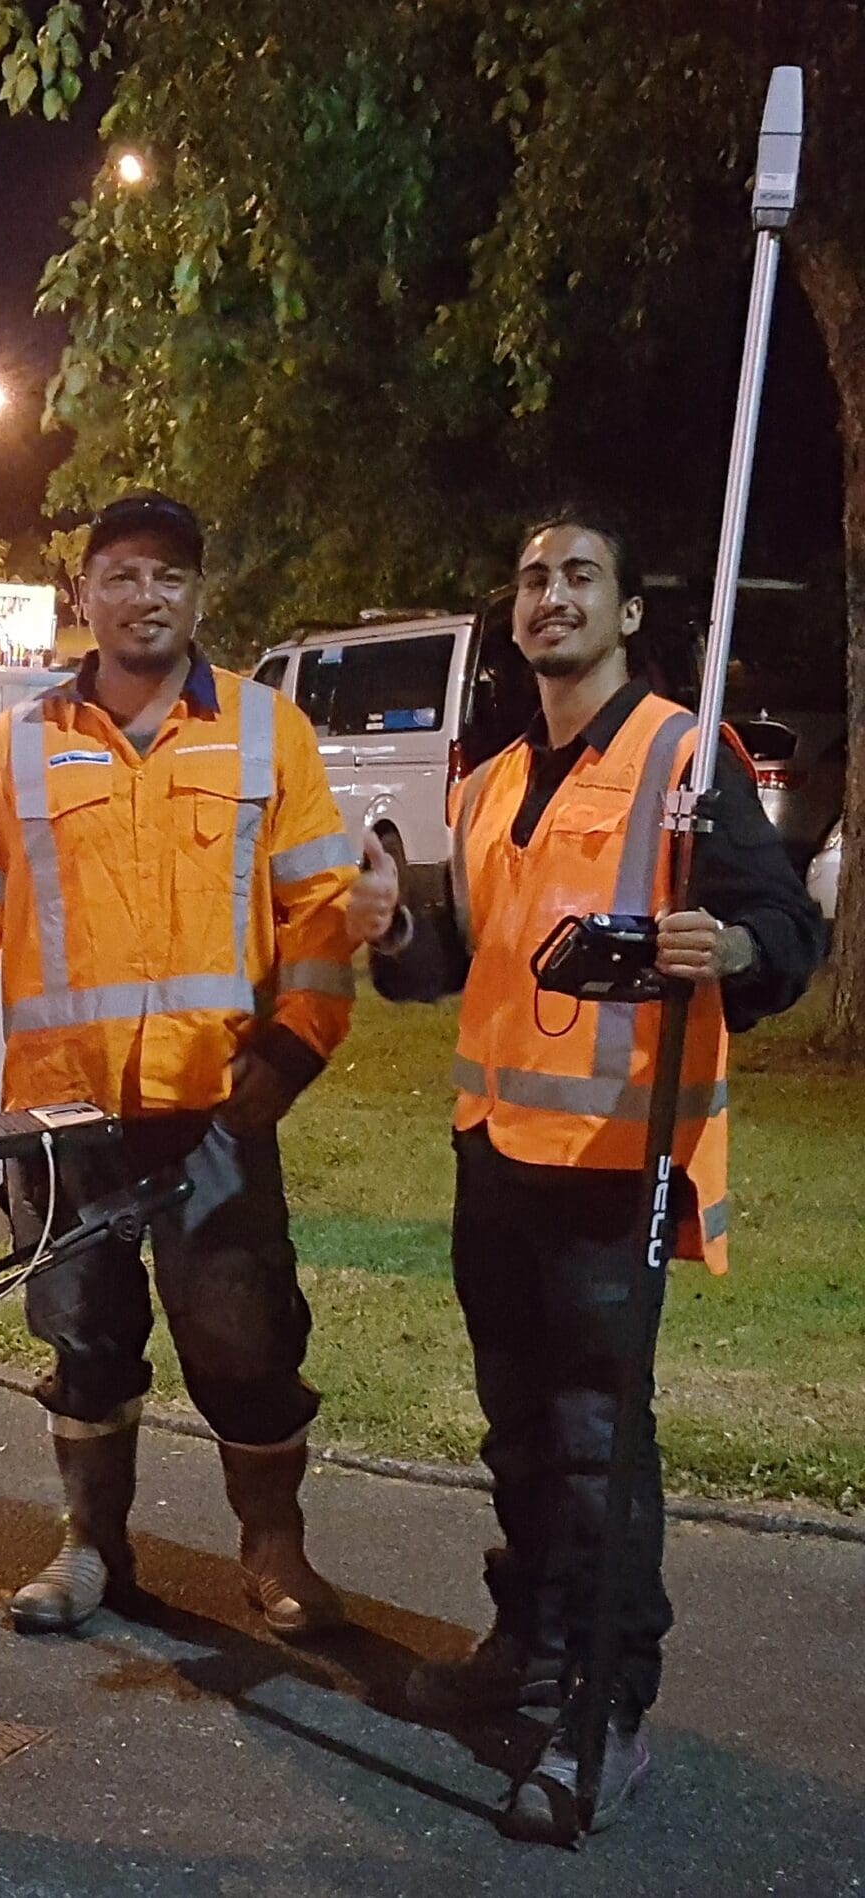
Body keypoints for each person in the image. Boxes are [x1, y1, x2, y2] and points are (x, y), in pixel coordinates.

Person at [346, 511, 825, 1842]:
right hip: (494, 1158)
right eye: (533, 578)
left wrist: (725, 946)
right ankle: (531, 1648)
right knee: (518, 1435)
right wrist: (396, 925)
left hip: (618, 1169)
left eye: (580, 578)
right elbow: (457, 965)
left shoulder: (681, 755)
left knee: (601, 1447)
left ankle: (608, 1713)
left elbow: (791, 928)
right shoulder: (493, 780)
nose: (551, 596)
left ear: (623, 614)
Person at [0, 491, 360, 1640]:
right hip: (61, 1117)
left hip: (216, 1106)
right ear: (82, 596)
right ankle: (90, 1546)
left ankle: (272, 1547)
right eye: (118, 575)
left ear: (198, 596)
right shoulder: (18, 744)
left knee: (243, 1339)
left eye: (166, 576)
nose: (142, 596)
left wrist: (294, 1048)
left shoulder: (266, 731)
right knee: (80, 1335)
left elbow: (318, 911)